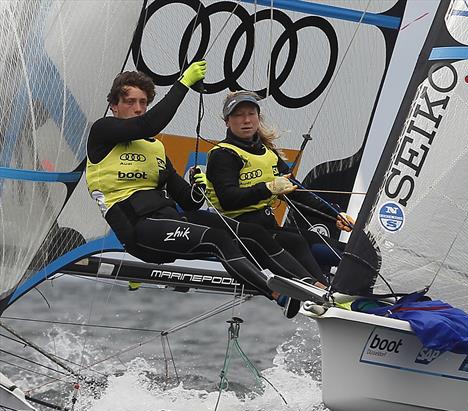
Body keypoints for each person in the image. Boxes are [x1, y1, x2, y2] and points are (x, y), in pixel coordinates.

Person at [86, 63, 319, 316]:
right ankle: (278, 295)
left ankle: (316, 289)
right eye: (130, 102)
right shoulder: (103, 132)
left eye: (143, 102)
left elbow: (189, 203)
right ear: (114, 106)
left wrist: (198, 187)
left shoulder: (155, 148)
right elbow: (146, 126)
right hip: (138, 231)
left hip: (169, 220)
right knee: (218, 239)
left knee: (250, 233)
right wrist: (183, 83)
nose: (139, 108)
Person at [203, 91, 353, 283]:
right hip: (241, 234)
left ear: (258, 118)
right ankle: (322, 290)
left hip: (270, 230)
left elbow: (298, 194)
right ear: (227, 121)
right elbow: (228, 199)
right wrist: (269, 188)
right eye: (238, 115)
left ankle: (361, 298)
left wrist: (335, 215)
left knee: (345, 252)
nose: (246, 120)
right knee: (296, 243)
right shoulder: (223, 154)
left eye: (251, 114)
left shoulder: (268, 153)